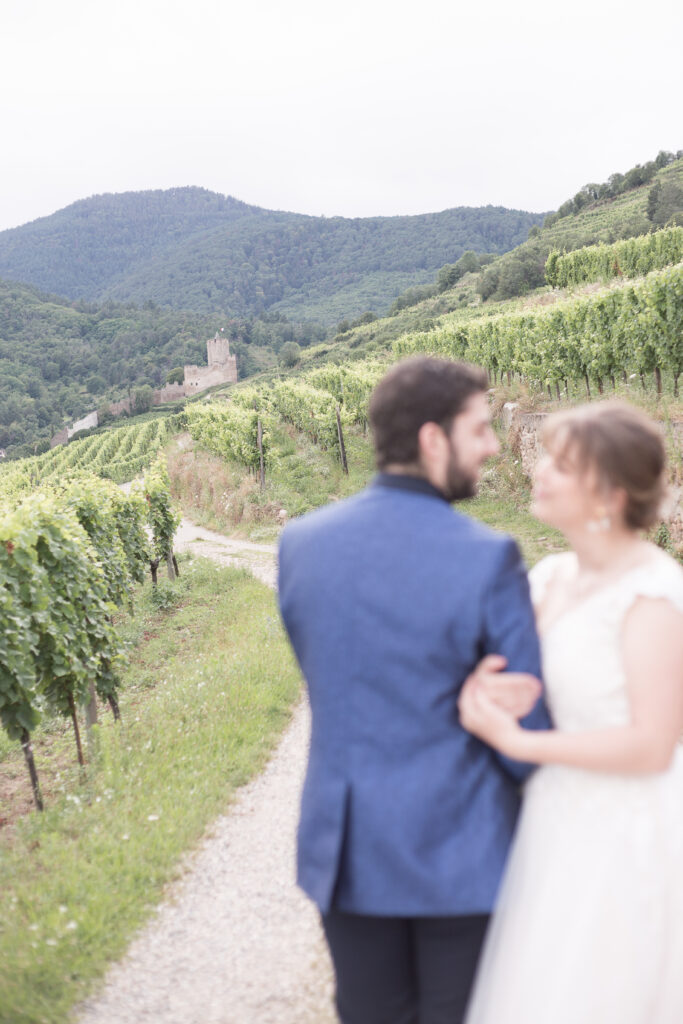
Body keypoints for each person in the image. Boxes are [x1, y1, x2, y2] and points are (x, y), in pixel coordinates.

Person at [278, 357, 550, 1024]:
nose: (491, 445)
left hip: (345, 851)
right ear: (434, 439)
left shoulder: (300, 544)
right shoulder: (487, 556)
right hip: (462, 848)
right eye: (480, 429)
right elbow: (527, 738)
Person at [460, 401, 683, 1024]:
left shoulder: (654, 594)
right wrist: (495, 685)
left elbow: (652, 744)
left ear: (607, 494)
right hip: (556, 821)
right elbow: (535, 679)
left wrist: (520, 743)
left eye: (561, 464)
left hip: (625, 828)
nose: (540, 471)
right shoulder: (551, 577)